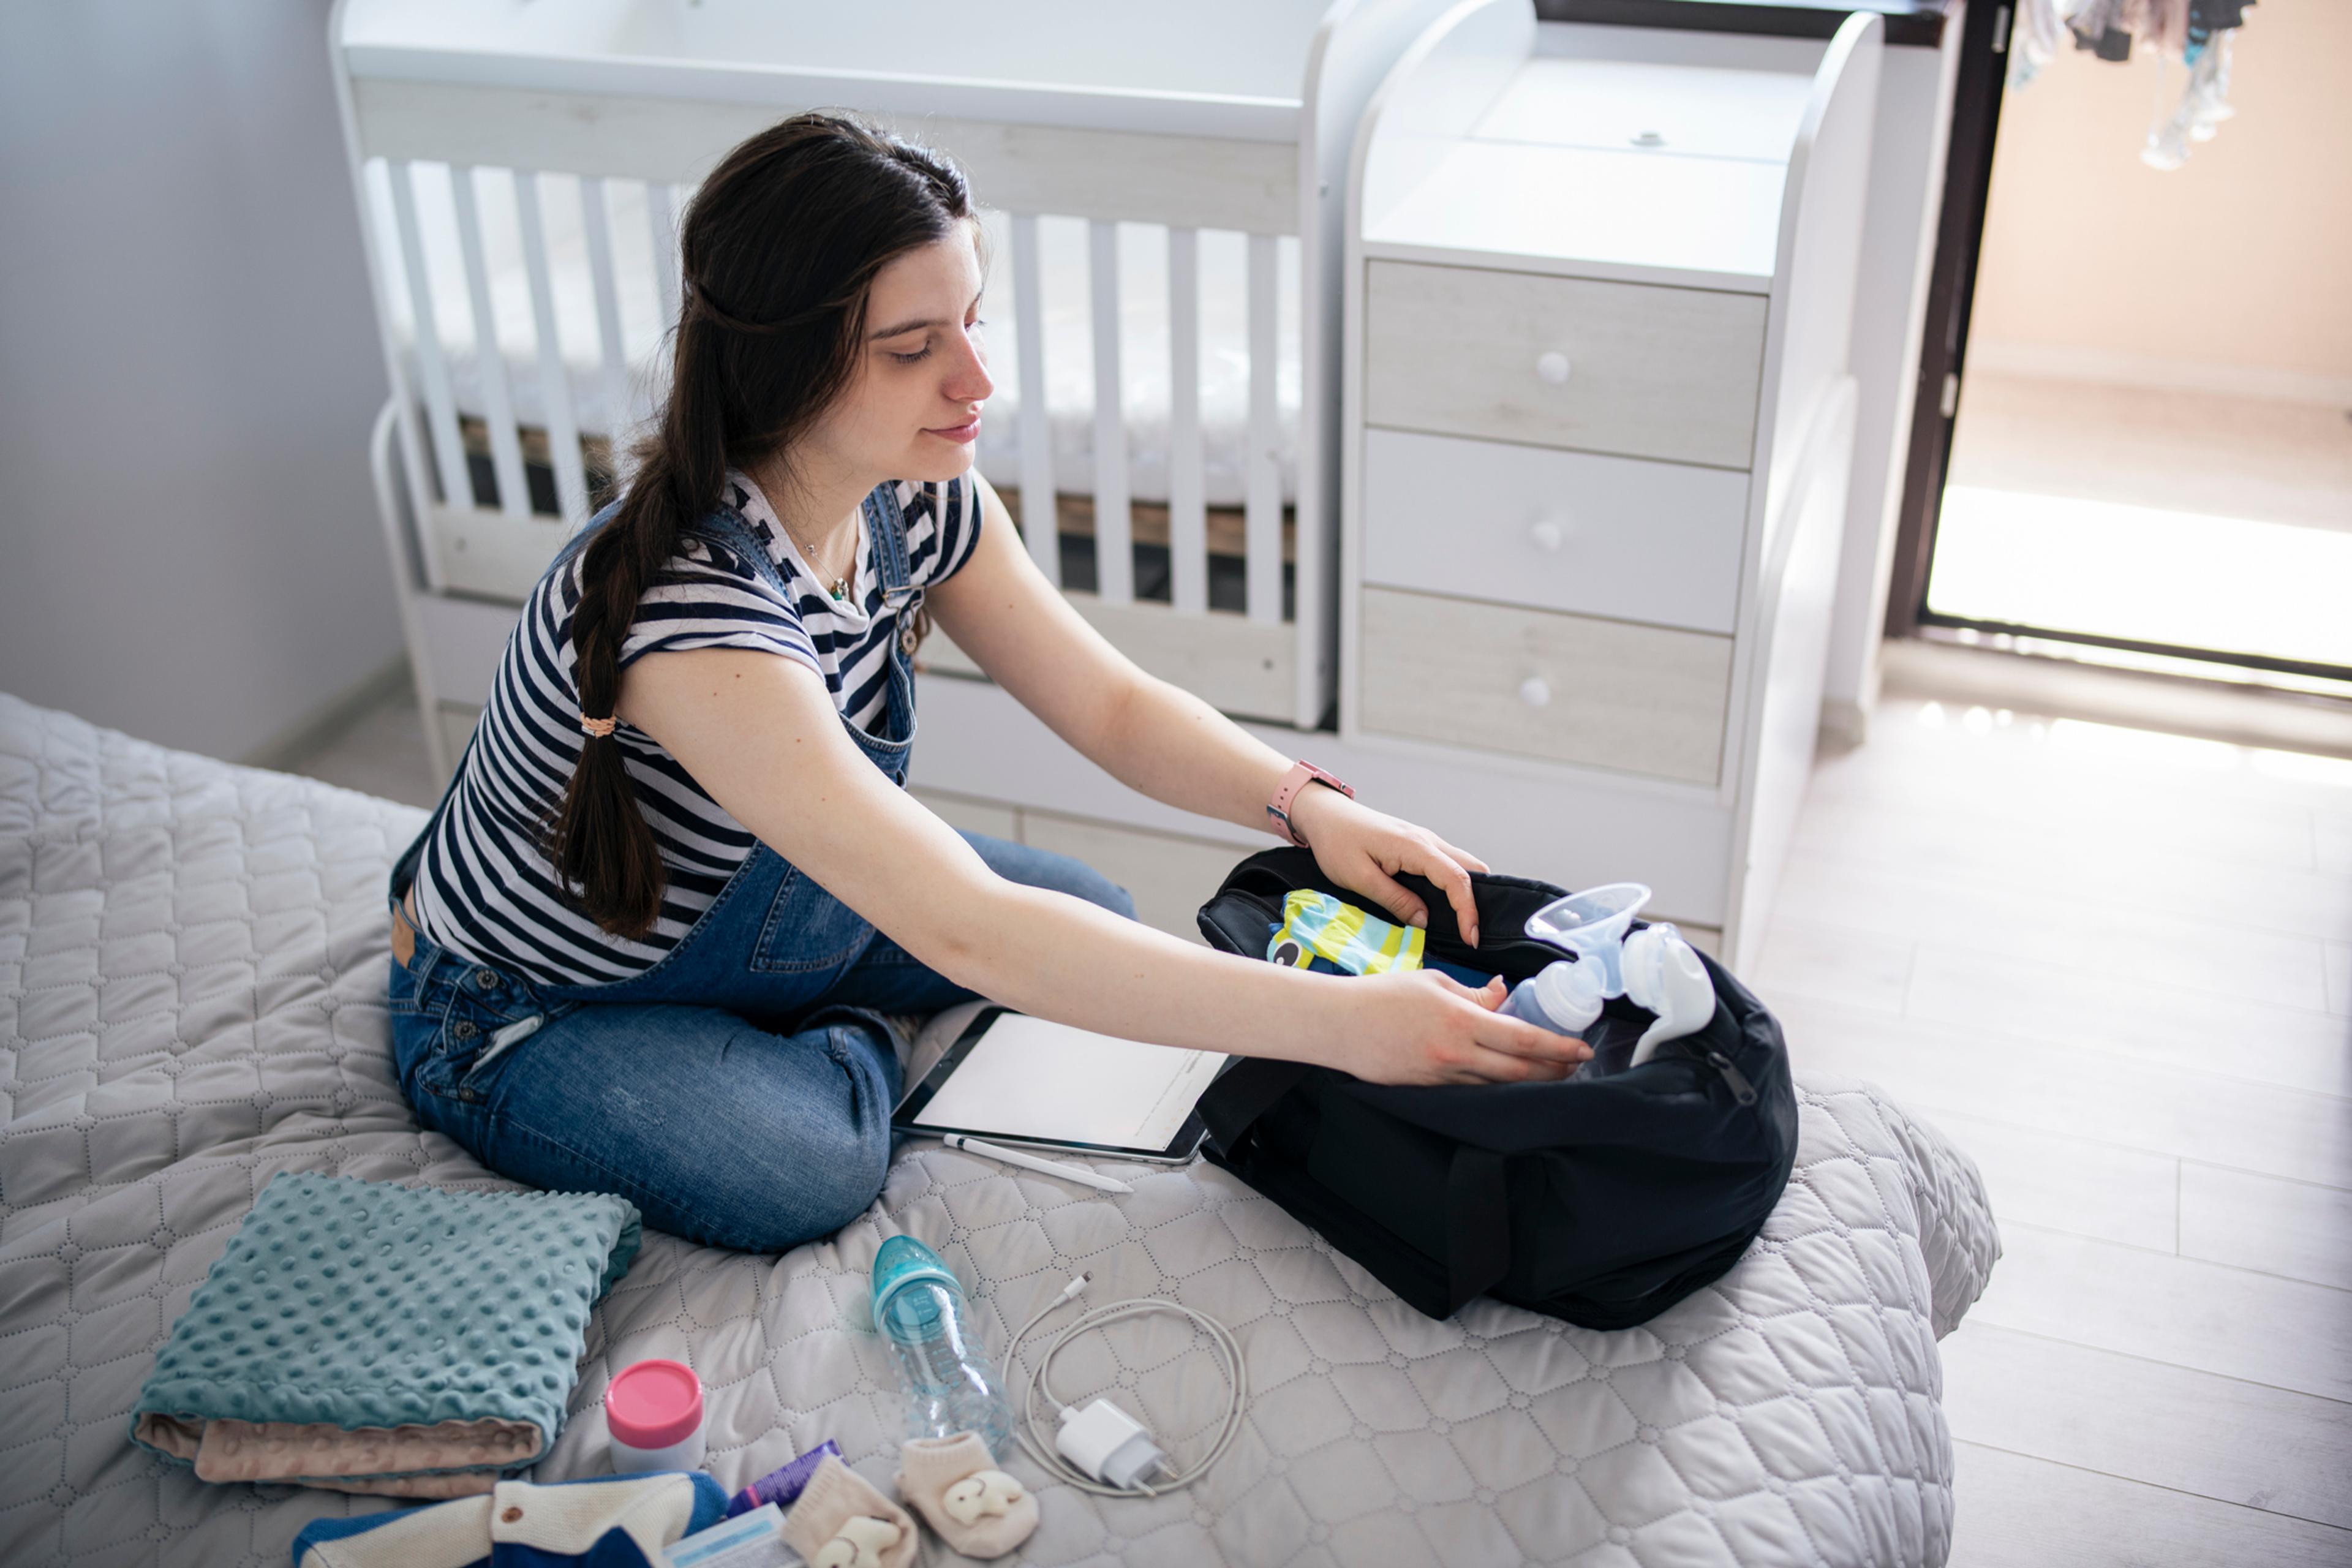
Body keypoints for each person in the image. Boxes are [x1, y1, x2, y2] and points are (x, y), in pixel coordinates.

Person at [384, 112, 1586, 1254]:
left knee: (1094, 914)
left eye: (972, 319)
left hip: (775, 910)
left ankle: (801, 994)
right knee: (809, 1169)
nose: (977, 380)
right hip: (542, 1006)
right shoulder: (693, 616)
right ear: (787, 367)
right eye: (914, 349)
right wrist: (1346, 1027)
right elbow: (977, 929)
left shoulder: (921, 495)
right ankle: (819, 1031)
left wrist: (1308, 804)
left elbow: (1109, 703)